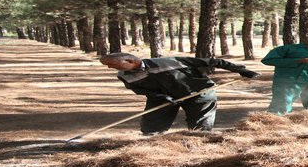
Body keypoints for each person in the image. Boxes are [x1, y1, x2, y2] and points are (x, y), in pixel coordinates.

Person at [100, 53, 260, 135]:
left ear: (130, 61)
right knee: (151, 125)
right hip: (163, 98)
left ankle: (200, 146)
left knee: (200, 127)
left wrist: (241, 70)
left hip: (198, 92)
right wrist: (159, 97)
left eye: (112, 64)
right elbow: (138, 89)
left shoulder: (169, 62)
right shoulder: (123, 74)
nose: (110, 68)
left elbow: (213, 61)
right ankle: (152, 144)